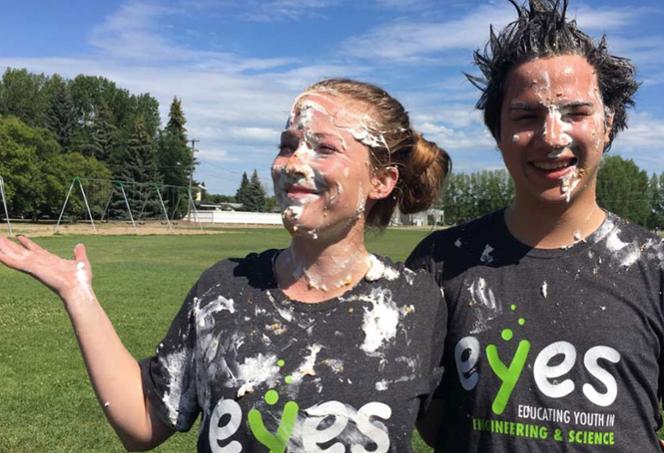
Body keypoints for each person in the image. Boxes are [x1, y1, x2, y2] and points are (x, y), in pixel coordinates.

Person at [0, 78, 451, 451]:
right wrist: (78, 295)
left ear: (381, 180)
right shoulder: (225, 289)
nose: (294, 163)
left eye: (324, 148)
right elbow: (143, 423)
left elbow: (455, 430)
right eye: (288, 144)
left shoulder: (418, 302)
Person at [407, 0, 664, 451]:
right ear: (497, 131)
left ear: (608, 125)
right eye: (527, 116)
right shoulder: (440, 263)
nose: (552, 138)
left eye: (576, 113)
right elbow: (433, 424)